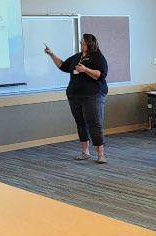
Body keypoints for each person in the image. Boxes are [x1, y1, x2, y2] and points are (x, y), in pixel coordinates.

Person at [44, 33, 109, 164]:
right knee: (80, 123)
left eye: (83, 42)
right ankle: (85, 152)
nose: (81, 44)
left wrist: (85, 69)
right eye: (81, 42)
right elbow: (63, 66)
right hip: (74, 95)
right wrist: (51, 54)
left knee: (95, 124)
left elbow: (100, 75)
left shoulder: (98, 57)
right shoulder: (77, 57)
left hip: (93, 95)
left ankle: (101, 154)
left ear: (90, 43)